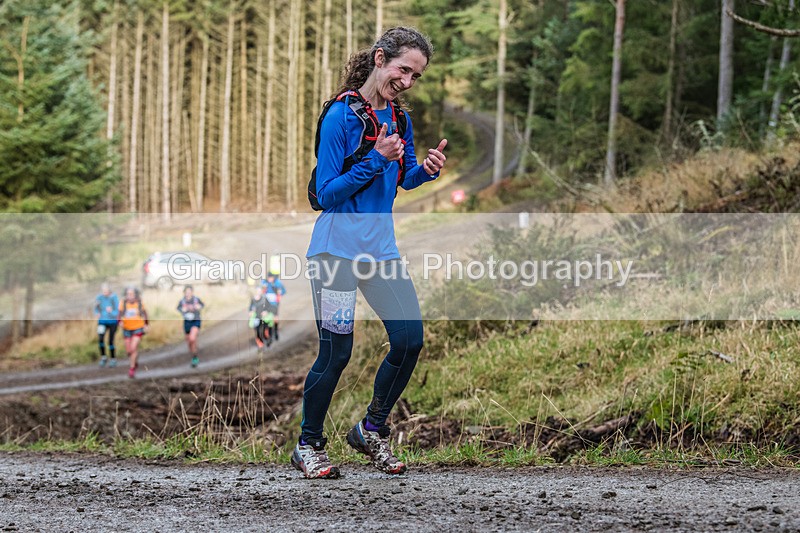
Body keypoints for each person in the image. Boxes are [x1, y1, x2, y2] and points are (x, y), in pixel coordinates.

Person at [292, 27, 447, 479]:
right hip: (336, 254)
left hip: (381, 254)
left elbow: (404, 178)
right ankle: (309, 444)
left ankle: (371, 429)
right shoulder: (341, 116)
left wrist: (426, 172)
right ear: (380, 59)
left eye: (416, 76)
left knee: (409, 340)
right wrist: (376, 158)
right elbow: (325, 193)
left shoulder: (399, 120)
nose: (408, 82)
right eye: (403, 70)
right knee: (337, 353)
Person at [118, 286, 148, 379]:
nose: (130, 296)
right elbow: (119, 314)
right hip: (127, 328)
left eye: (132, 294)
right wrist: (120, 322)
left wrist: (146, 324)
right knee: (128, 351)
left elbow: (145, 313)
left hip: (138, 328)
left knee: (133, 348)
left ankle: (132, 369)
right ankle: (134, 362)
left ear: (135, 295)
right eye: (128, 294)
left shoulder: (139, 303)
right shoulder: (123, 303)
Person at [177, 285, 204, 368]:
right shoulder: (182, 301)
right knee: (189, 342)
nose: (188, 294)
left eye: (189, 292)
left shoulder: (196, 299)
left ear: (192, 292)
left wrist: (198, 307)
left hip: (195, 321)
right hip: (187, 322)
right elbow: (178, 308)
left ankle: (195, 355)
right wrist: (183, 310)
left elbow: (202, 305)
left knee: (192, 338)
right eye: (186, 292)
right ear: (184, 293)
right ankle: (194, 356)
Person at [94, 282, 119, 368]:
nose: (105, 293)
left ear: (109, 291)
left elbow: (117, 312)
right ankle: (103, 357)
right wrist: (97, 313)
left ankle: (113, 359)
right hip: (102, 321)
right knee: (101, 339)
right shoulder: (99, 298)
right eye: (103, 291)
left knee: (110, 341)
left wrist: (111, 311)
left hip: (112, 322)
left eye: (106, 291)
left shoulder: (114, 298)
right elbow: (96, 308)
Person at [249, 286, 275, 351]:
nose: (258, 293)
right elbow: (250, 308)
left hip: (264, 319)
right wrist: (250, 312)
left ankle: (268, 341)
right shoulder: (253, 300)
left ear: (261, 292)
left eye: (259, 291)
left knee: (264, 332)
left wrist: (266, 311)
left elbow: (270, 307)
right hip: (257, 318)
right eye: (257, 291)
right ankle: (260, 345)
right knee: (257, 332)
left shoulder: (264, 299)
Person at [261, 272, 286, 341]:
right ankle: (267, 334)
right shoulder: (264, 282)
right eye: (269, 277)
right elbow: (260, 290)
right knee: (265, 318)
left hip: (275, 303)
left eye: (271, 278)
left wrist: (280, 292)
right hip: (266, 304)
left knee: (275, 318)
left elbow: (283, 291)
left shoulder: (277, 283)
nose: (270, 279)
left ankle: (275, 331)